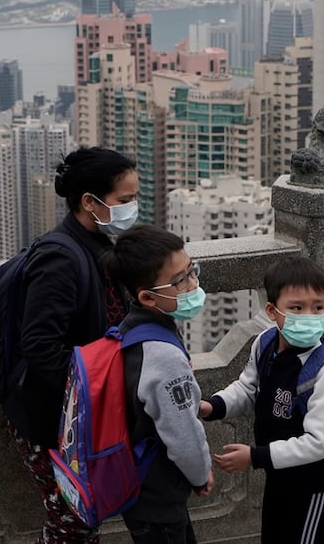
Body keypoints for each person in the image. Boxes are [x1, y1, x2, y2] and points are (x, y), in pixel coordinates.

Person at [3, 146, 139, 543]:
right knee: (71, 520)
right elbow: (41, 346)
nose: (133, 208)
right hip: (53, 419)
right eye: (125, 200)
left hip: (80, 416)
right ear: (89, 202)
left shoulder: (98, 245)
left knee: (81, 518)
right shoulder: (61, 257)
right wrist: (96, 389)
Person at [200, 256, 324, 543]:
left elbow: (320, 443)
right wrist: (213, 406)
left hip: (313, 484)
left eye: (318, 307)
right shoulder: (265, 343)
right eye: (297, 308)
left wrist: (255, 456)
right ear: (272, 311)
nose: (309, 316)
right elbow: (249, 388)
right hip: (278, 473)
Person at [102, 225, 214, 544]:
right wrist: (200, 472)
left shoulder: (128, 330)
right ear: (147, 297)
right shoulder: (162, 355)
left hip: (138, 484)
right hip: (157, 492)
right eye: (181, 280)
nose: (193, 284)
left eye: (192, 271)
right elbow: (183, 434)